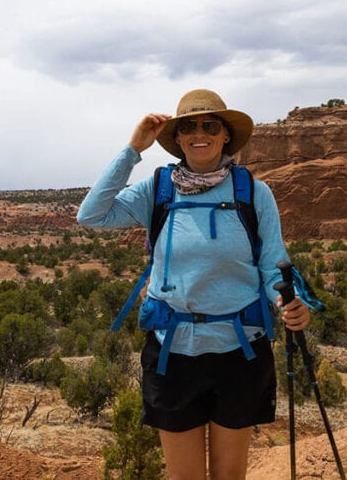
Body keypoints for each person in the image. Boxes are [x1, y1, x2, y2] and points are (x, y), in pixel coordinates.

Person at [77, 88, 311, 480]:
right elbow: (92, 215)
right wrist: (133, 149)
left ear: (225, 136)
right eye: (188, 127)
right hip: (174, 353)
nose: (198, 133)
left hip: (240, 352)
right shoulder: (159, 189)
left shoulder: (253, 192)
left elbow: (273, 265)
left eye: (209, 125)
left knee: (228, 476)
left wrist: (290, 301)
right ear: (178, 138)